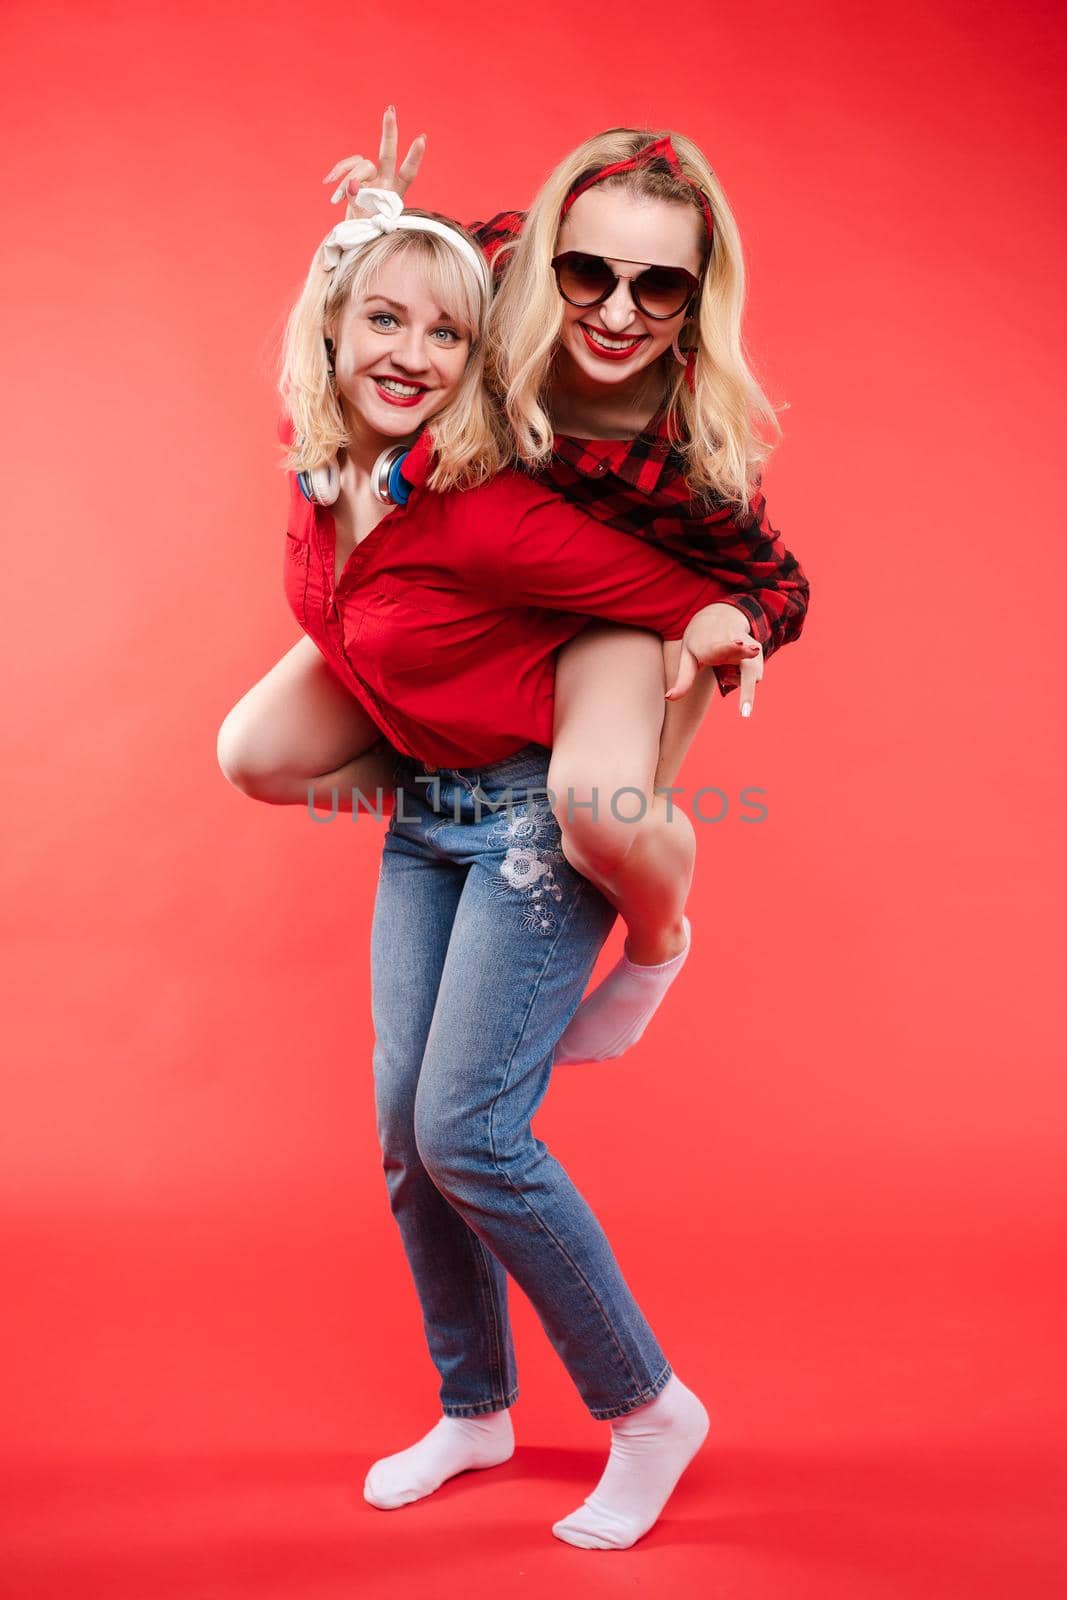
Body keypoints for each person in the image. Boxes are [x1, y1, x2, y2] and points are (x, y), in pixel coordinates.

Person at [218, 196, 762, 1549]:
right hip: (425, 818)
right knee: (408, 1142)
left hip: (531, 820)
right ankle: (474, 1409)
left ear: (477, 363)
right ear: (329, 327)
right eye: (384, 318)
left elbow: (656, 583)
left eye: (447, 332)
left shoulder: (483, 513)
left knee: (469, 1132)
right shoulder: (322, 478)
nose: (409, 351)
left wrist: (721, 628)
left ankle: (647, 1408)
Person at [319, 112, 811, 1067]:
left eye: (658, 285)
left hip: (623, 622)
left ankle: (659, 941)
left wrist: (730, 621)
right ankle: (483, 804)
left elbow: (778, 584)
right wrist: (384, 219)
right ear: (546, 254)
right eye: (588, 273)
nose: (617, 313)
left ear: (695, 297)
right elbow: (417, 282)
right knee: (255, 751)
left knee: (597, 814)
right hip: (494, 586)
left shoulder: (689, 446)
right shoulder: (501, 270)